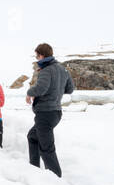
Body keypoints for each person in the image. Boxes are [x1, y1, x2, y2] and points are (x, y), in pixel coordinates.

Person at [24, 43, 75, 176]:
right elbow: (70, 89)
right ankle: (34, 168)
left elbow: (41, 89)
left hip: (45, 113)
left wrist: (29, 92)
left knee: (47, 149)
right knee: (32, 137)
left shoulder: (46, 70)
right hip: (56, 113)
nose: (36, 58)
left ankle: (56, 178)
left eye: (37, 56)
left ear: (42, 55)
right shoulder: (62, 69)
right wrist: (56, 91)